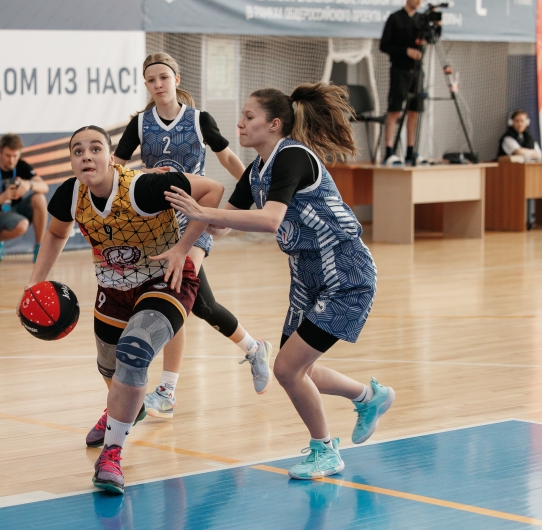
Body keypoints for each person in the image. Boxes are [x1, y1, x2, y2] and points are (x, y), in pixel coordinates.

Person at [164, 83, 395, 480]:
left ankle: (325, 451)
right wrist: (189, 216)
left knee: (288, 370)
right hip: (307, 278)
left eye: (249, 116)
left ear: (274, 124)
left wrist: (205, 212)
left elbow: (270, 220)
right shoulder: (256, 171)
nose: (240, 123)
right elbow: (221, 226)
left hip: (344, 274)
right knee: (298, 370)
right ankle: (369, 397)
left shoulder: (292, 156)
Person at [21, 125, 223, 494]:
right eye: (78, 151)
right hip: (114, 288)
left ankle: (112, 455)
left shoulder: (143, 188)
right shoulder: (70, 194)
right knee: (109, 367)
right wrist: (35, 283)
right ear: (72, 162)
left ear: (111, 157)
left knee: (134, 351)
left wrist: (183, 248)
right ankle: (126, 408)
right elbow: (55, 233)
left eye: (95, 148)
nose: (86, 156)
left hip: (165, 279)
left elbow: (212, 189)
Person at [111, 52, 272, 422]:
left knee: (174, 292)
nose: (158, 84)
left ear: (177, 79)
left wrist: (248, 196)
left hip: (193, 219)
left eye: (163, 77)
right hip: (156, 223)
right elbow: (116, 168)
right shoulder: (140, 124)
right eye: (151, 80)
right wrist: (141, 175)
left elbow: (230, 160)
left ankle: (167, 391)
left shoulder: (199, 120)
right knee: (200, 304)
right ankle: (253, 347)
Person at [0, 134, 49, 261]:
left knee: (39, 198)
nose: (11, 160)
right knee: (22, 225)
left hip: (15, 211)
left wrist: (28, 184)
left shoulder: (21, 166)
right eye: (8, 156)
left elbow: (44, 187)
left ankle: (39, 248)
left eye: (15, 156)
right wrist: (4, 196)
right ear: (0, 152)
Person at [380, 0, 424, 165]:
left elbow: (432, 39)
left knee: (414, 112)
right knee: (395, 111)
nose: (419, 1)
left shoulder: (421, 19)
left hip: (417, 71)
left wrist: (437, 25)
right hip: (399, 70)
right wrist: (406, 51)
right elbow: (384, 45)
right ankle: (389, 152)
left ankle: (410, 152)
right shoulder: (395, 18)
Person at [498, 109, 542, 228]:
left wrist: (532, 154)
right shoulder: (507, 138)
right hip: (511, 175)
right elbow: (518, 152)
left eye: (522, 121)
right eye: (517, 121)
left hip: (531, 171)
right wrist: (533, 153)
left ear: (527, 122)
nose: (519, 124)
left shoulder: (530, 138)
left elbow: (539, 154)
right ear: (511, 122)